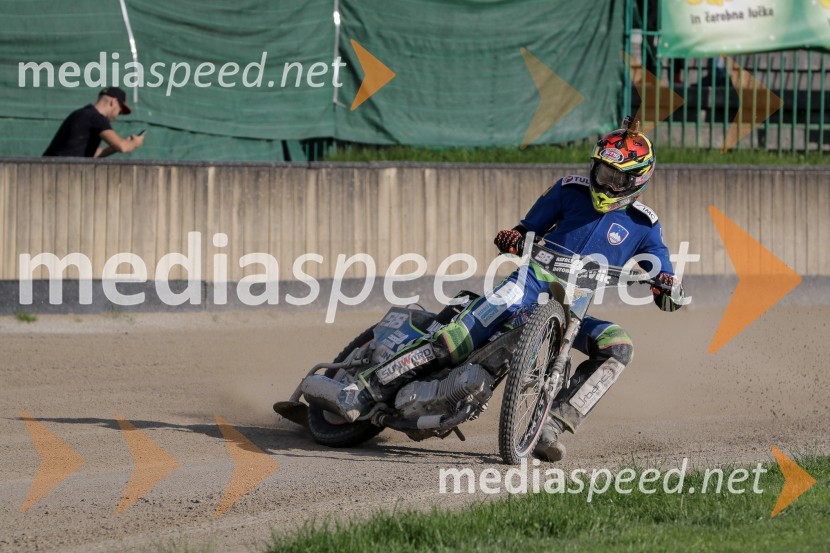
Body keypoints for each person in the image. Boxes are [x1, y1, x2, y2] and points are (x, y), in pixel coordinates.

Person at [321, 117, 684, 462]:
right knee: (454, 340)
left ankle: (552, 426)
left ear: (637, 181)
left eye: (617, 179)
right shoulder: (568, 190)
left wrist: (666, 285)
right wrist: (511, 237)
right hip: (527, 286)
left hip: (573, 311)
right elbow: (523, 229)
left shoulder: (644, 225)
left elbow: (665, 283)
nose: (606, 184)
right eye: (603, 173)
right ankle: (366, 389)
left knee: (619, 346)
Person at [43, 86, 144, 158]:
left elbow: (92, 153)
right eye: (120, 109)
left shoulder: (80, 113)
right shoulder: (97, 118)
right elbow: (123, 147)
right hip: (58, 173)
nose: (119, 114)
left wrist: (115, 147)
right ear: (113, 102)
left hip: (47, 169)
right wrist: (135, 143)